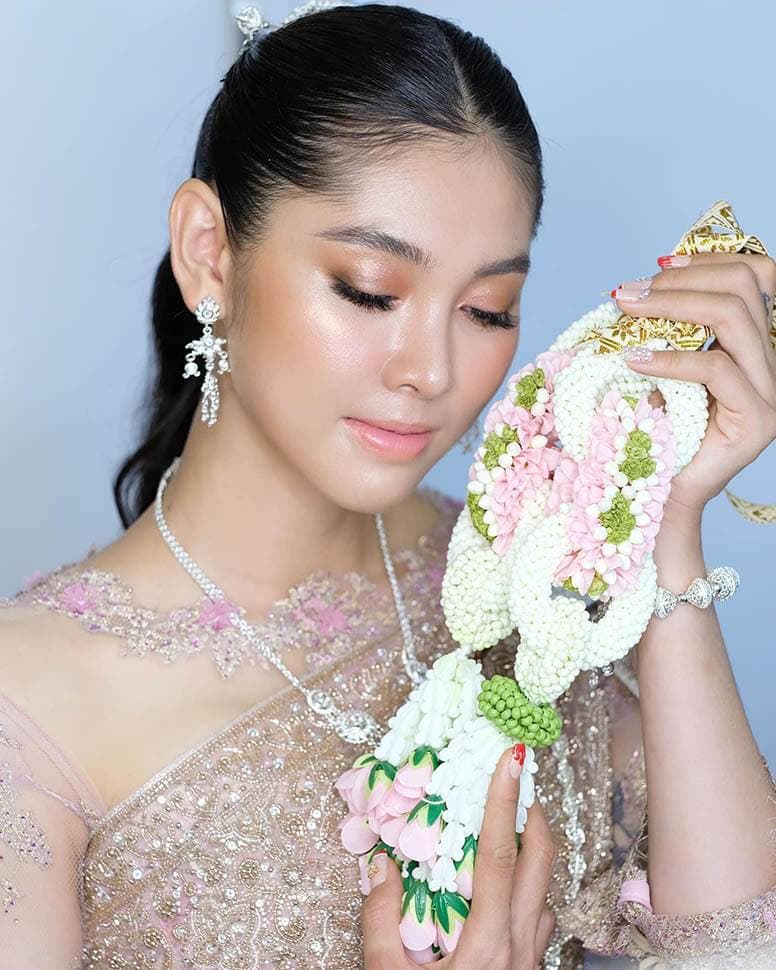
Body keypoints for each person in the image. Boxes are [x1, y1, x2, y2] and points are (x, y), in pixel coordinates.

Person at [2, 3, 776, 967]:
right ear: (209, 251)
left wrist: (662, 527)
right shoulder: (29, 705)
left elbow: (737, 945)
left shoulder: (529, 590)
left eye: (487, 309)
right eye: (370, 290)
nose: (432, 371)